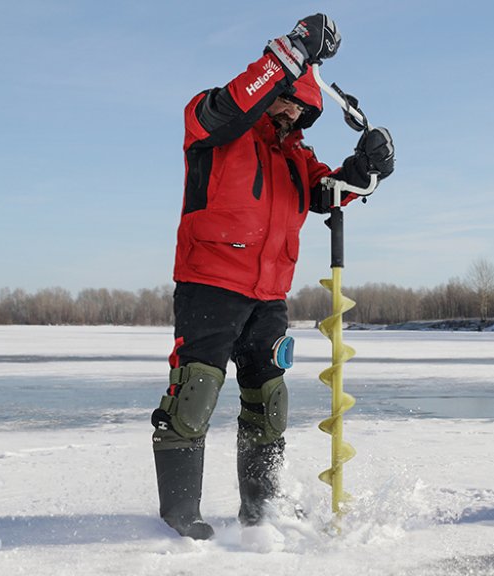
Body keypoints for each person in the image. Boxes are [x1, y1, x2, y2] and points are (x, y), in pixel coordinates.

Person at [150, 13, 395, 540]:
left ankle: (260, 514)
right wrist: (288, 54)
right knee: (194, 393)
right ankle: (178, 519)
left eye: (301, 106)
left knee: (269, 403)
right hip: (210, 283)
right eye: (286, 97)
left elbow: (329, 193)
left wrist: (367, 168)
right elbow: (234, 103)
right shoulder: (213, 124)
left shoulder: (295, 155)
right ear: (273, 84)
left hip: (270, 296)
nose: (291, 111)